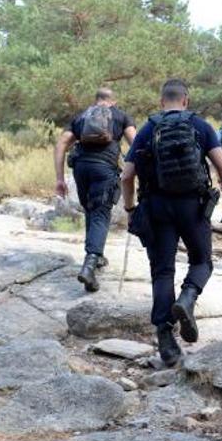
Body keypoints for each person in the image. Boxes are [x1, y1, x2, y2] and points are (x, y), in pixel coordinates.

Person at [120, 79, 222, 367]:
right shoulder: (201, 126)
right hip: (193, 206)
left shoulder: (148, 129)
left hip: (157, 207)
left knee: (162, 270)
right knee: (202, 261)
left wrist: (130, 208)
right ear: (186, 100)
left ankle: (166, 340)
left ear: (161, 102)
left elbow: (126, 175)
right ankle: (188, 297)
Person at [54, 87, 137, 292]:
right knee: (101, 212)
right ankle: (89, 265)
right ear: (113, 101)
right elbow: (136, 144)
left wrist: (59, 179)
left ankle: (96, 256)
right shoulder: (121, 115)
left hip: (81, 168)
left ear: (96, 100)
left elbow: (61, 143)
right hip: (105, 168)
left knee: (91, 209)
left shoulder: (81, 116)